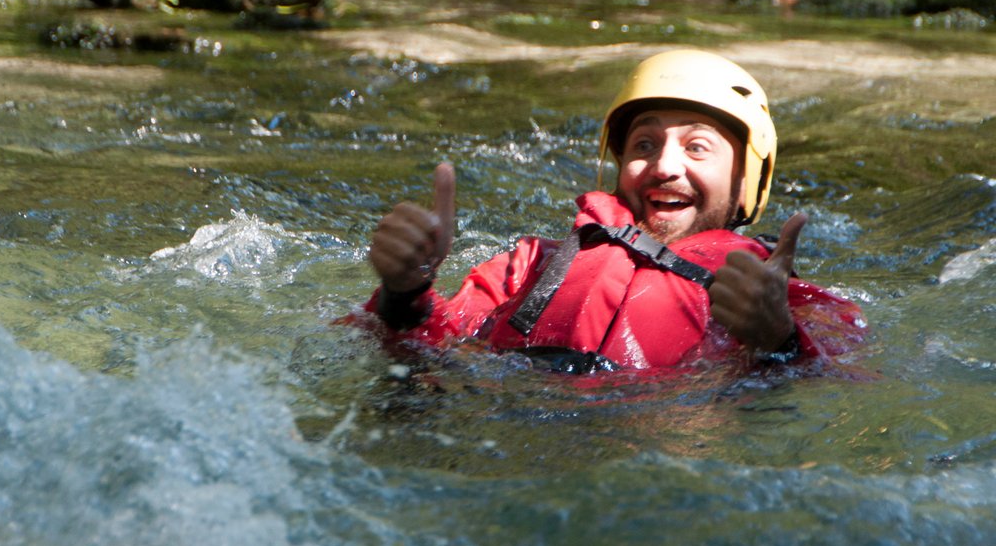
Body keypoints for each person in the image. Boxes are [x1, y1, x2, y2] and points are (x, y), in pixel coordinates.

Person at [360, 49, 866, 375]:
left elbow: (850, 378)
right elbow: (428, 344)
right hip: (509, 425)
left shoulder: (772, 294)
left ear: (743, 186)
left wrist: (778, 340)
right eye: (644, 143)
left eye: (697, 148)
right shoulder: (531, 263)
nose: (664, 166)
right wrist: (404, 291)